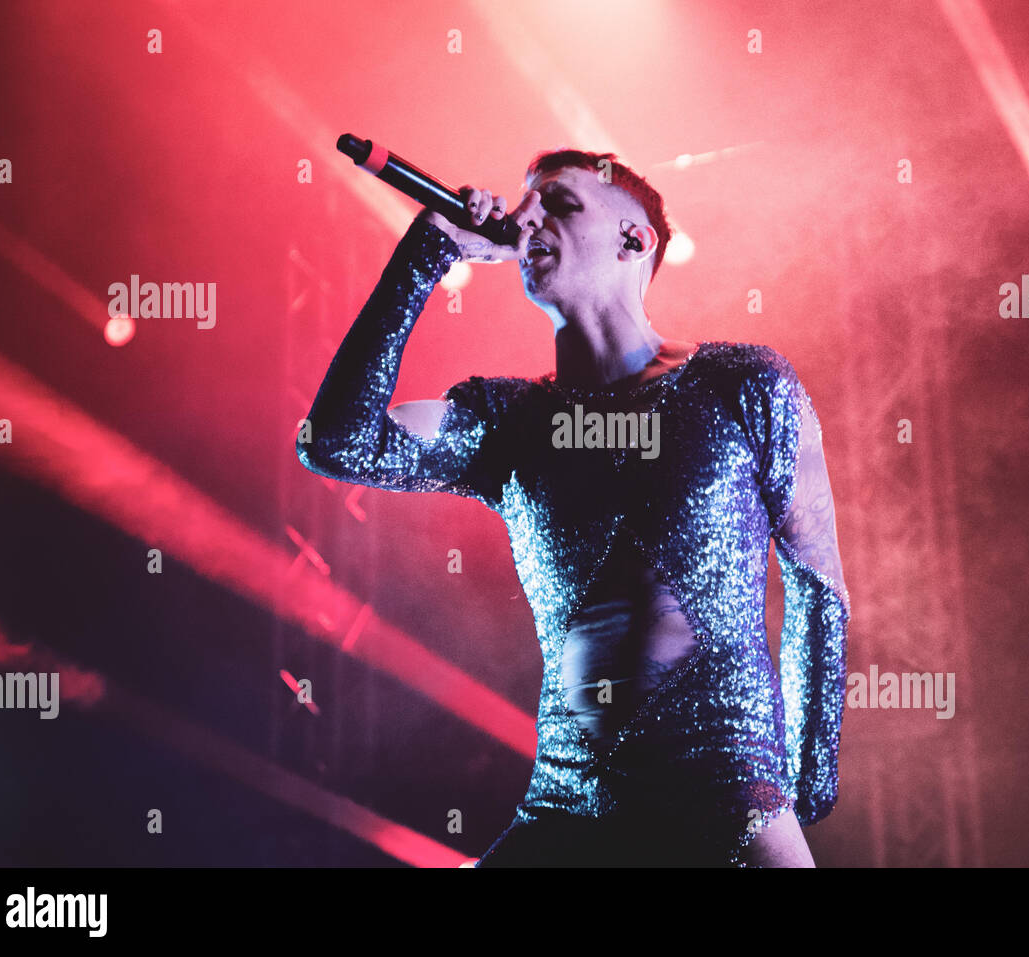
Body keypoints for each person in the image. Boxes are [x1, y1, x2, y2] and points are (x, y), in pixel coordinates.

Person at [297, 149, 850, 867]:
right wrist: (426, 253)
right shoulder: (506, 419)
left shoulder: (744, 384)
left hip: (729, 801)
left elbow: (818, 586)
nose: (527, 218)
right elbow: (336, 442)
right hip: (566, 809)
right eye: (524, 206)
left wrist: (800, 788)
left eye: (558, 202)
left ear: (635, 239)